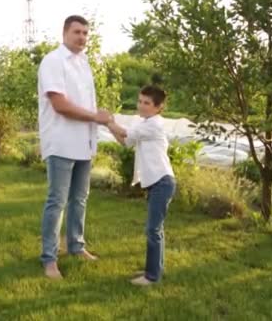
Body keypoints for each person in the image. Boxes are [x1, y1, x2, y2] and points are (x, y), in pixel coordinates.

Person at [37, 15, 113, 279]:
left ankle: (76, 247)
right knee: (57, 201)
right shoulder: (53, 61)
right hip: (60, 141)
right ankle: (49, 259)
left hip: (83, 142)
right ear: (65, 33)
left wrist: (100, 121)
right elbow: (60, 104)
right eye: (77, 32)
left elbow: (87, 104)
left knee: (79, 199)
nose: (82, 37)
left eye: (85, 33)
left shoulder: (83, 63)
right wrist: (95, 117)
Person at [107, 85, 176, 286]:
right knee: (156, 229)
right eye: (140, 101)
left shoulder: (154, 124)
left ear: (159, 107)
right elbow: (126, 141)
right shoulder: (145, 123)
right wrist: (108, 126)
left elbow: (125, 132)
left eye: (147, 103)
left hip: (162, 182)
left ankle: (152, 276)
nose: (141, 106)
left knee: (153, 230)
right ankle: (153, 268)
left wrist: (109, 121)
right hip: (158, 183)